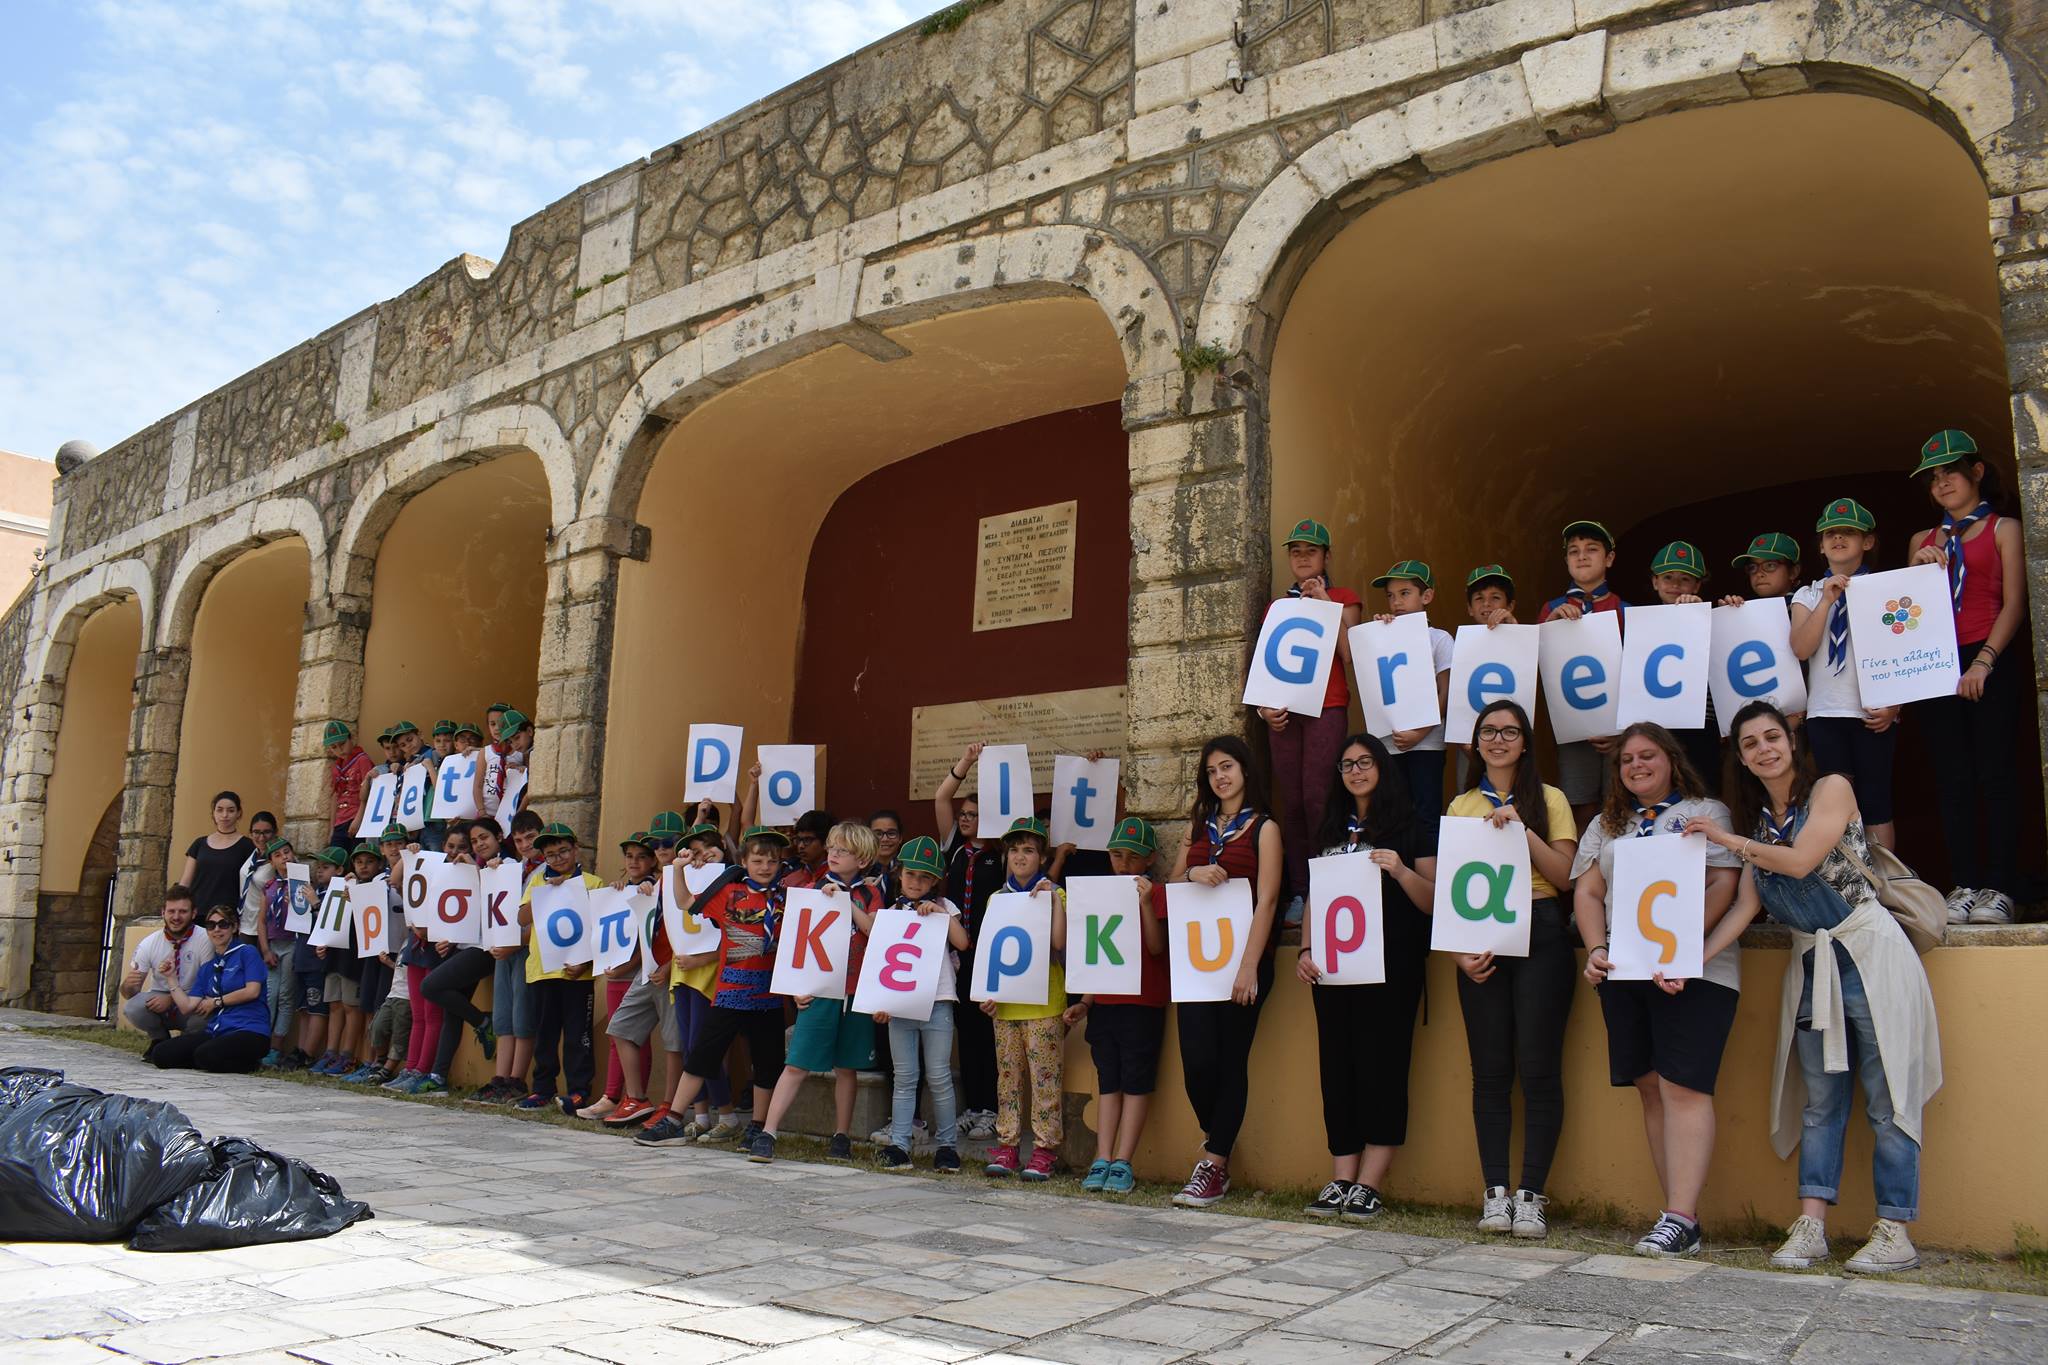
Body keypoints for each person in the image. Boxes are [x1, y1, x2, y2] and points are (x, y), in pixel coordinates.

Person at [1683, 700, 1941, 1275]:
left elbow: (1800, 862)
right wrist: (1691, 959)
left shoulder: (1831, 789)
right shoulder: (1757, 826)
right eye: (1750, 744)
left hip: (1868, 954)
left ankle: (1895, 1227)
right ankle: (1812, 1224)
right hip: (1814, 967)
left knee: (1887, 1094)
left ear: (1792, 740)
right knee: (1821, 1101)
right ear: (1742, 759)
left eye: (1772, 737)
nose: (1764, 749)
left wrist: (1727, 843)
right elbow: (1745, 909)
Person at [1572, 723, 1743, 1259]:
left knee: (1683, 1087)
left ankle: (1682, 1217)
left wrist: (1680, 949)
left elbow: (1724, 883)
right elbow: (1588, 891)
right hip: (1625, 973)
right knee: (1649, 1085)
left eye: (1648, 755)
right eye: (1626, 760)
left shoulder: (1707, 812)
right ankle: (1675, 1212)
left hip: (1694, 972)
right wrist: (1597, 949)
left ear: (1671, 758)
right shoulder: (1607, 824)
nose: (1636, 766)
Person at [1447, 699, 1578, 1238]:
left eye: (1509, 731)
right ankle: (1495, 1192)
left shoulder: (1551, 799)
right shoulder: (1460, 806)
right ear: (1476, 743)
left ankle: (1531, 1194)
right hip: (1480, 938)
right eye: (1488, 731)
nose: (1498, 739)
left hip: (1541, 928)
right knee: (1491, 1070)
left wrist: (1524, 832)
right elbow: (1455, 889)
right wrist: (1457, 951)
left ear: (1525, 742)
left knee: (1540, 1068)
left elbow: (1566, 878)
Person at [1297, 733, 1436, 1220]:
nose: (1355, 771)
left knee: (1383, 1069)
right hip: (1334, 971)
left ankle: (1370, 1183)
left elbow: (1433, 901)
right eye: (1346, 764)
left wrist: (1399, 870)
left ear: (1382, 767)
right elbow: (1317, 894)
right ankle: (1340, 1177)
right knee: (1337, 1069)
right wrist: (1307, 947)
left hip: (1391, 969)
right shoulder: (1333, 828)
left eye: (1364, 762)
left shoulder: (1411, 826)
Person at [1908, 430, 2027, 925]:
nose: (1941, 484)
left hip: (1988, 654)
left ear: (1976, 472)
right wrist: (1915, 570)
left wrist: (1984, 661)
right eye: (1933, 478)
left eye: (1949, 472)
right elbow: (1905, 612)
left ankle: (2000, 886)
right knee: (1951, 778)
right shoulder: (1922, 539)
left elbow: (2015, 603)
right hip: (1936, 659)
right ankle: (1964, 883)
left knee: (1995, 773)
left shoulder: (2004, 528)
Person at [1162, 735, 1284, 1208]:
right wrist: (1192, 874)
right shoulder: (1199, 827)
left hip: (1244, 963)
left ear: (1245, 771)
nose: (1220, 776)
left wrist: (1249, 966)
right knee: (1197, 1061)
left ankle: (1213, 1165)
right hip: (1196, 965)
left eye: (1227, 766)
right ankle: (1218, 1140)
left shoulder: (1264, 828)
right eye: (1212, 771)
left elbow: (1269, 898)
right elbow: (1171, 884)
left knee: (1231, 1061)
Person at [638, 827, 796, 1150]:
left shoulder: (788, 900)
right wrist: (679, 870)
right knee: (701, 1055)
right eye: (758, 860)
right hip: (728, 993)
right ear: (744, 861)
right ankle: (673, 1120)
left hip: (768, 997)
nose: (765, 867)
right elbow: (683, 902)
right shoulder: (728, 893)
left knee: (766, 1062)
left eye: (772, 861)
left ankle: (757, 1126)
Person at [1255, 518, 1362, 921]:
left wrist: (1324, 604)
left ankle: (1330, 886)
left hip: (1327, 706)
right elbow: (1267, 661)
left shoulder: (1344, 596)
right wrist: (1264, 708)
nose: (1302, 558)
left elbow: (1349, 654)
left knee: (1322, 796)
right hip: (1284, 712)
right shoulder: (1277, 605)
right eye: (1295, 551)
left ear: (1326, 556)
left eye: (1310, 551)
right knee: (1293, 802)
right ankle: (1301, 891)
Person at [759, 822, 879, 1162]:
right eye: (832, 849)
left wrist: (846, 902)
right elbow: (795, 941)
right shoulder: (812, 889)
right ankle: (768, 1130)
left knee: (847, 1067)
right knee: (797, 1062)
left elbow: (873, 929)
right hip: (820, 988)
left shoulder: (870, 893)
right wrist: (797, 987)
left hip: (855, 991)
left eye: (843, 850)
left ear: (862, 858)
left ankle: (841, 1135)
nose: (834, 855)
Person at [1789, 498, 1899, 851]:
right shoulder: (1807, 594)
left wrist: (1897, 706)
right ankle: (1853, 890)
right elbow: (1801, 648)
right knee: (1836, 803)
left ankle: (1888, 890)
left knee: (1876, 799)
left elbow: (1907, 652)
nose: (1838, 538)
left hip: (1873, 711)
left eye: (1849, 532)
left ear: (1867, 542)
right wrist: (1826, 601)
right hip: (1825, 712)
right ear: (1820, 547)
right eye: (1830, 533)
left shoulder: (1886, 588)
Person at [1068, 816, 1168, 1196]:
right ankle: (1102, 1157)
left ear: (1150, 859)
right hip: (1106, 1002)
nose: (1123, 864)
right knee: (1108, 1082)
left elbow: (1157, 947)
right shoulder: (1099, 894)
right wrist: (1085, 1002)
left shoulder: (1154, 893)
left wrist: (1144, 901)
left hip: (1142, 1002)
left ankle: (1124, 1160)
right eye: (1116, 855)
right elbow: (1095, 953)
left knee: (1136, 1082)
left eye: (1132, 856)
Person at [873, 835, 968, 1173]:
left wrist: (941, 914)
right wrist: (881, 1001)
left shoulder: (945, 907)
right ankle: (900, 1144)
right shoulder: (891, 912)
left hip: (938, 1001)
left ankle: (947, 1146)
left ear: (935, 881)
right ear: (900, 873)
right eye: (911, 874)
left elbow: (962, 942)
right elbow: (882, 962)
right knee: (905, 1076)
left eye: (924, 877)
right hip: (900, 1004)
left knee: (940, 1076)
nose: (916, 882)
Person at [981, 817, 1067, 1181]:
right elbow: (991, 951)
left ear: (1042, 856)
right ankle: (1008, 1144)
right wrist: (986, 993)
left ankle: (1046, 1148)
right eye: (1014, 849)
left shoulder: (1056, 894)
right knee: (1007, 1076)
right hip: (1007, 1002)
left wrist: (1052, 900)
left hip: (1045, 1002)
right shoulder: (997, 898)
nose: (1020, 856)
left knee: (1045, 1077)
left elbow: (1061, 942)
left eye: (1028, 850)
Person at [1538, 520, 1628, 825]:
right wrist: (1549, 626)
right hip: (1573, 732)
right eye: (1574, 551)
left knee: (1620, 804)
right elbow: (1536, 665)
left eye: (1592, 549)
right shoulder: (1551, 608)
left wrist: (1623, 730)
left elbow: (1639, 674)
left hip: (1619, 731)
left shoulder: (1624, 609)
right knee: (1579, 807)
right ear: (1565, 561)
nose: (1582, 556)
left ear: (1610, 558)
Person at [934, 742, 1002, 1141]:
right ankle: (974, 1106)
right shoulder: (955, 850)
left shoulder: (1002, 853)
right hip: (958, 954)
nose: (965, 819)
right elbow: (942, 796)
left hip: (991, 954)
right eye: (964, 814)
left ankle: (992, 1108)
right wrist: (966, 762)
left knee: (988, 1032)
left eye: (974, 815)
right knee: (967, 1033)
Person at [517, 822, 601, 1114]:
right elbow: (521, 918)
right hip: (542, 970)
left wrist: (586, 962)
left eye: (563, 851)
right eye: (551, 855)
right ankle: (542, 1088)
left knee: (579, 1034)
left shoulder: (593, 883)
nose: (558, 859)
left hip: (578, 972)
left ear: (575, 849)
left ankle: (578, 1091)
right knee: (545, 1033)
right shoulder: (538, 882)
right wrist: (547, 891)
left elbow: (600, 929)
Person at [581, 831, 663, 1121]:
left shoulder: (653, 888)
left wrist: (627, 967)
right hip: (615, 971)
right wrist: (617, 891)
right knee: (620, 1035)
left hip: (636, 973)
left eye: (641, 856)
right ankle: (613, 1095)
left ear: (653, 860)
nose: (634, 862)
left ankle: (629, 1096)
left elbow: (647, 940)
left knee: (633, 1036)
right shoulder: (623, 888)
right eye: (629, 856)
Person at [1367, 560, 1453, 836]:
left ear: (1426, 596)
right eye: (1391, 596)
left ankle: (1427, 878)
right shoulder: (1381, 635)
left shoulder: (1439, 639)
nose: (1396, 602)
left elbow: (1446, 691)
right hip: (1389, 744)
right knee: (1394, 817)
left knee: (1426, 814)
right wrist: (1377, 635)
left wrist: (1420, 733)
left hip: (1427, 744)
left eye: (1405, 593)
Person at [470, 808, 546, 1104]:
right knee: (503, 1015)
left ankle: (516, 1079)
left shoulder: (545, 871)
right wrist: (495, 871)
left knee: (523, 1016)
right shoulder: (512, 867)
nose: (526, 844)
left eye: (531, 838)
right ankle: (499, 1078)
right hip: (504, 948)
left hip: (528, 948)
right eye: (519, 839)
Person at [148, 906, 271, 1073]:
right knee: (161, 1054)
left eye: (223, 924)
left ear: (234, 927)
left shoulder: (247, 953)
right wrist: (171, 978)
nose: (217, 930)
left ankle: (251, 1064)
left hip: (249, 1029)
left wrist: (216, 1002)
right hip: (218, 1030)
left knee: (206, 1055)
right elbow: (187, 1006)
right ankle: (209, 1059)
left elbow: (252, 991)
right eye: (211, 925)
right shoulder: (207, 968)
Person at [1645, 541, 1722, 785]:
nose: (1676, 585)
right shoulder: (1642, 624)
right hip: (1657, 724)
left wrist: (1698, 615)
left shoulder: (1712, 618)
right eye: (1667, 577)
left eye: (1685, 579)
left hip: (1702, 723)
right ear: (1655, 582)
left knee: (1702, 788)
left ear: (1697, 585)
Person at [119, 885, 212, 1044]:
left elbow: (208, 985)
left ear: (194, 913)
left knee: (206, 1016)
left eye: (183, 911)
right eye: (171, 911)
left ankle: (185, 1043)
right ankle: (159, 1039)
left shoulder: (205, 939)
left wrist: (172, 999)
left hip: (194, 1000)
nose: (176, 917)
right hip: (159, 998)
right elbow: (130, 994)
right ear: (163, 913)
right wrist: (128, 985)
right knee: (133, 1008)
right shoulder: (149, 943)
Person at [252, 837, 300, 1067]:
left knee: (285, 996)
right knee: (270, 995)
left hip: (292, 943)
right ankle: (262, 1041)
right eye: (278, 855)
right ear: (271, 861)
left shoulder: (301, 883)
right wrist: (265, 949)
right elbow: (261, 921)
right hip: (273, 945)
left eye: (287, 852)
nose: (285, 858)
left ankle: (277, 1046)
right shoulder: (269, 887)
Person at [181, 791, 256, 927]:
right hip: (197, 913)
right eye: (220, 810)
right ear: (213, 813)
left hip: (227, 917)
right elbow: (185, 882)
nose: (225, 815)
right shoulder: (199, 843)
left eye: (231, 810)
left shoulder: (247, 846)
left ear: (239, 813)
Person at [324, 720, 373, 850]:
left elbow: (368, 793)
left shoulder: (362, 760)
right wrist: (332, 830)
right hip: (340, 822)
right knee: (336, 861)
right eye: (334, 747)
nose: (340, 750)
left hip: (357, 818)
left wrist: (358, 820)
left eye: (342, 744)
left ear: (351, 738)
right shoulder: (337, 767)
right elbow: (335, 797)